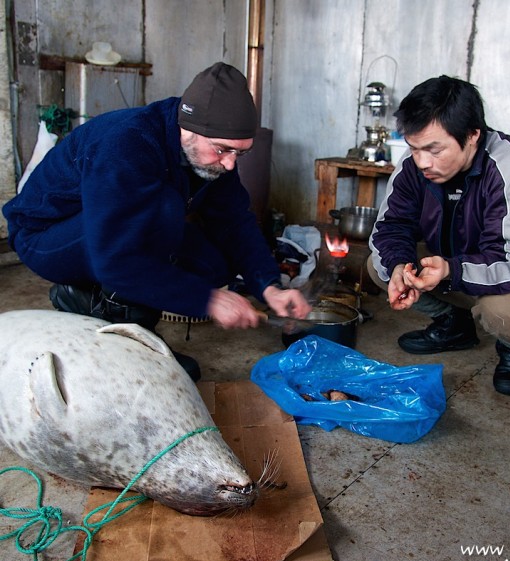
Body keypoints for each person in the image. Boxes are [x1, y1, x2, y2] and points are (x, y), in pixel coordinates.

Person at [3, 62, 311, 379]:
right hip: (44, 237)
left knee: (214, 265)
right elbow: (115, 258)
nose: (231, 164)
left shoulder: (208, 150)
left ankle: (86, 297)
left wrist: (269, 286)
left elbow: (235, 222)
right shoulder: (127, 144)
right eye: (223, 151)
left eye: (240, 154)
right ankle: (132, 335)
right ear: (190, 129)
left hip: (102, 235)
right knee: (162, 209)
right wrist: (207, 299)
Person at [368, 75, 510, 397]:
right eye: (414, 148)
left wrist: (450, 271)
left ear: (473, 134)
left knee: (502, 311)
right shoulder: (414, 164)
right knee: (380, 265)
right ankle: (456, 326)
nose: (422, 162)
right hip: (460, 269)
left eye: (434, 149)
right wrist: (398, 267)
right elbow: (391, 228)